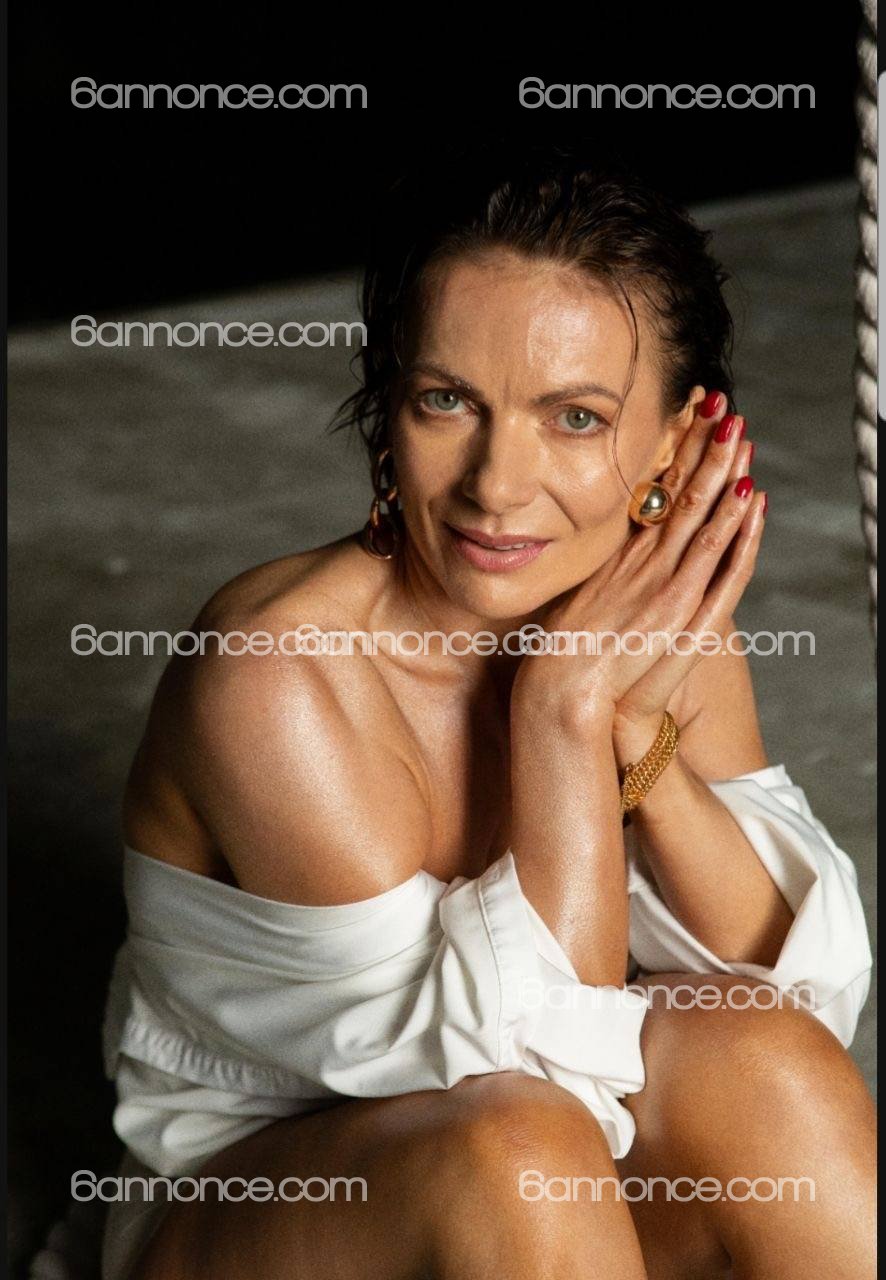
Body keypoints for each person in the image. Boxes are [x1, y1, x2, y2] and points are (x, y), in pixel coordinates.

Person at [99, 150, 875, 1279]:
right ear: (387, 407)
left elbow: (802, 988)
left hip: (551, 1200)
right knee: (519, 1150)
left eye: (576, 418)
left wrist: (633, 738)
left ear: (673, 443)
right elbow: (535, 1070)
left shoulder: (631, 610)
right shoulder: (278, 672)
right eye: (448, 400)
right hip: (271, 1208)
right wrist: (560, 712)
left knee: (771, 1064)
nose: (497, 486)